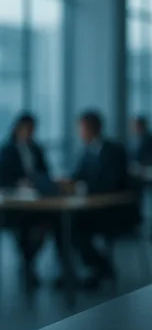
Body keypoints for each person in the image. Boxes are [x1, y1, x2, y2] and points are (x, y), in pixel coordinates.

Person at [55, 111, 133, 289]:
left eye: (81, 130)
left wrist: (82, 187)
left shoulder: (114, 151)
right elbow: (78, 176)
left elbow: (113, 183)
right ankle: (72, 272)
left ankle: (101, 267)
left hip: (114, 211)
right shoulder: (87, 151)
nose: (79, 134)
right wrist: (65, 183)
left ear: (92, 129)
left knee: (75, 227)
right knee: (62, 224)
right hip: (93, 208)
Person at [0, 113, 51, 287]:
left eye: (32, 129)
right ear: (18, 129)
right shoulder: (8, 150)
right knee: (23, 228)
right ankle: (27, 265)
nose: (30, 132)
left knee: (47, 224)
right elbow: (3, 178)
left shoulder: (37, 149)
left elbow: (45, 173)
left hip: (37, 201)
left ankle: (28, 263)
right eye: (27, 129)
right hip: (16, 204)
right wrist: (19, 183)